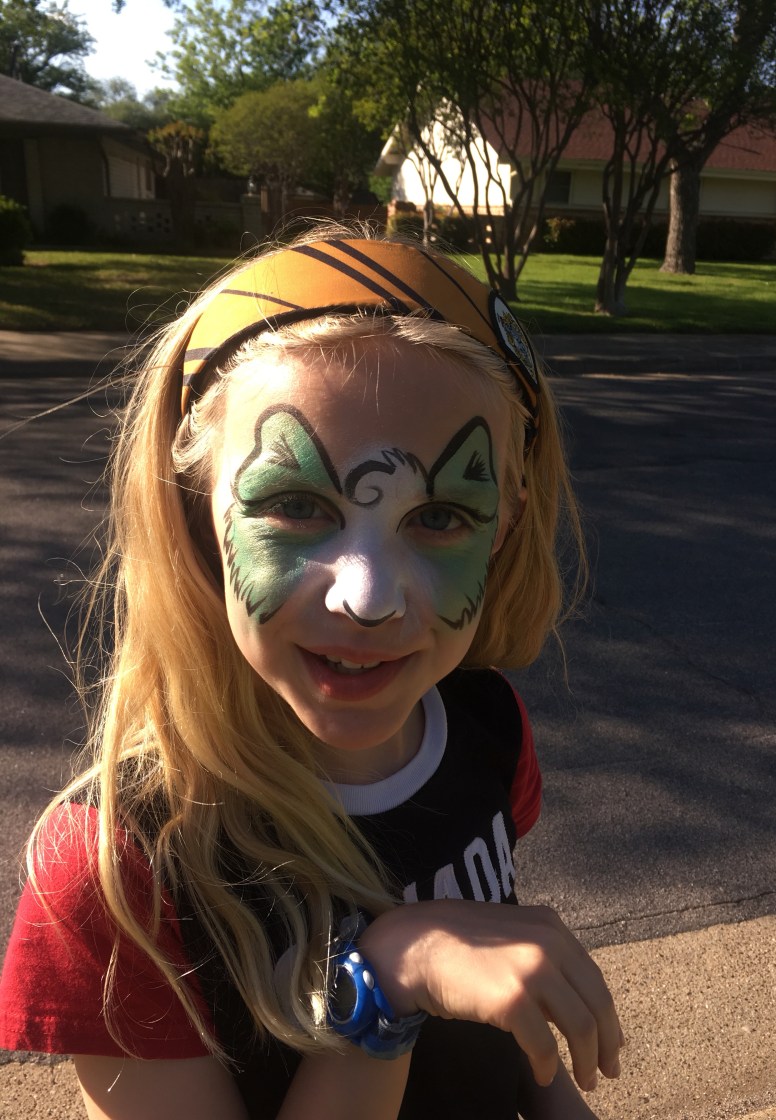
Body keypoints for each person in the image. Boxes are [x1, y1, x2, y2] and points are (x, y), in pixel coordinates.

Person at [0, 227, 623, 1120]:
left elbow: (494, 1016)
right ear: (194, 511)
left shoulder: (485, 724)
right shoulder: (115, 869)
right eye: (294, 505)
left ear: (508, 522)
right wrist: (387, 980)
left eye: (441, 517)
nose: (368, 600)